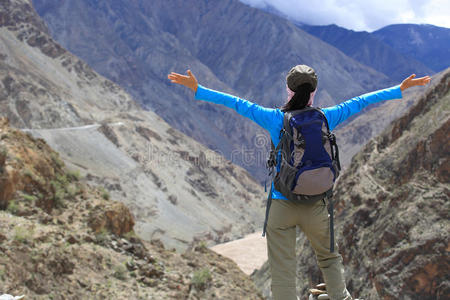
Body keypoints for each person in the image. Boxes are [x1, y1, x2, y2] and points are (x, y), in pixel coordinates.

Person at [168, 66, 430, 300]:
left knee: (283, 267)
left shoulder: (273, 118)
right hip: (318, 205)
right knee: (329, 258)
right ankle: (341, 298)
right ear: (314, 92)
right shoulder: (328, 116)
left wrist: (199, 89)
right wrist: (399, 89)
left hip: (282, 204)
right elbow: (362, 101)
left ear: (288, 90)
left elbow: (237, 103)